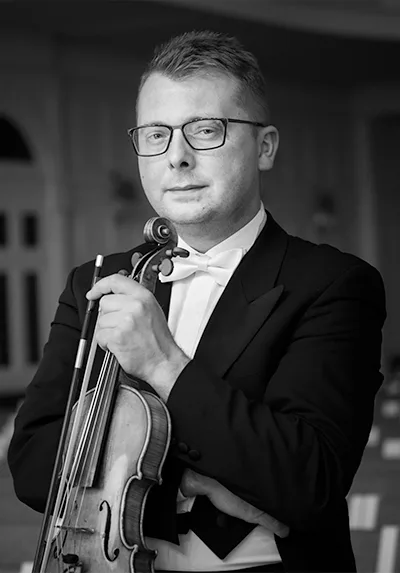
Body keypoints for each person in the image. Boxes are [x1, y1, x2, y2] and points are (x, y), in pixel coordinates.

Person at [8, 30, 386, 573]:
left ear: (265, 147)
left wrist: (164, 364)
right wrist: (181, 482)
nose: (177, 158)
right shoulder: (96, 280)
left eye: (206, 130)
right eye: (156, 134)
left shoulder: (334, 284)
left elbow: (309, 481)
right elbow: (31, 462)